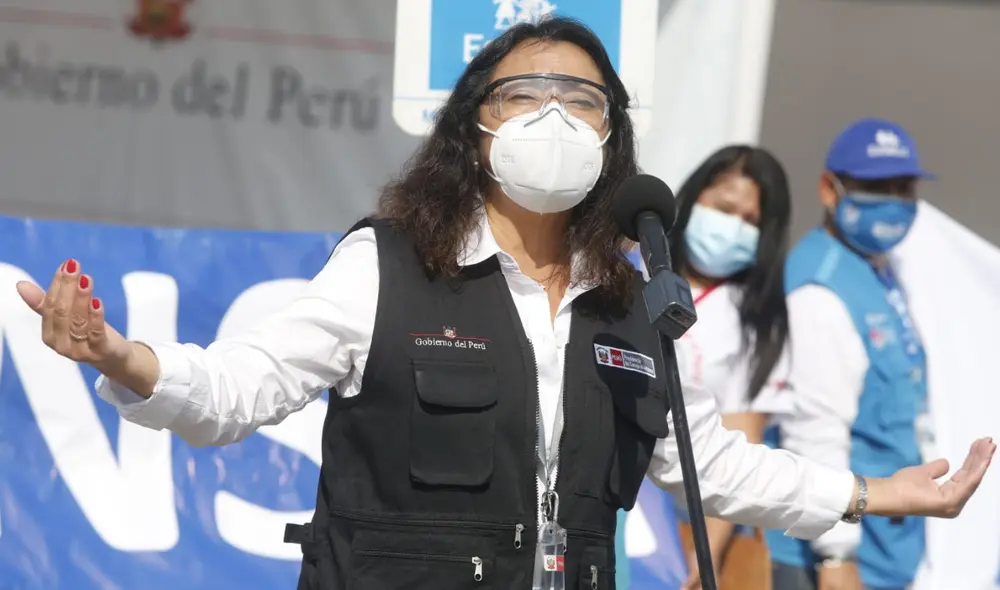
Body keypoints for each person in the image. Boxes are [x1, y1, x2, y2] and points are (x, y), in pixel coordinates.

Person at [15, 21, 993, 590]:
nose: (556, 116)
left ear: (612, 139)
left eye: (585, 100)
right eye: (524, 93)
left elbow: (708, 459)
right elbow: (238, 388)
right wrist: (122, 357)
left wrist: (869, 493)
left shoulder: (626, 299)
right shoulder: (387, 265)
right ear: (473, 126)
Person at [765, 118, 944, 590]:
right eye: (874, 186)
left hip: (886, 551)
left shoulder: (880, 270)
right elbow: (815, 429)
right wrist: (835, 557)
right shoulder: (820, 288)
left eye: (902, 187)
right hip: (827, 560)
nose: (891, 200)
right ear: (830, 189)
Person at [656, 145, 794, 590]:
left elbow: (742, 441)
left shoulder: (759, 320)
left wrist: (704, 554)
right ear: (695, 197)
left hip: (690, 524)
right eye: (724, 208)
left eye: (750, 221)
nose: (732, 227)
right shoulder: (630, 273)